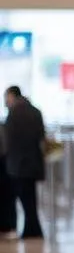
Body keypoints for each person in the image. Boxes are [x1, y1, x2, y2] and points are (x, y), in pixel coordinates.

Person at [2, 85, 45, 240]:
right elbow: (41, 136)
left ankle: (31, 231)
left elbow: (7, 141)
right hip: (33, 163)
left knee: (22, 198)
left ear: (12, 96)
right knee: (30, 199)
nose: (5, 101)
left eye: (6, 97)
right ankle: (32, 229)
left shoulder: (13, 113)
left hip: (17, 164)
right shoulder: (35, 111)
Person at [0, 122, 18, 239]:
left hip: (4, 167)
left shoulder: (4, 127)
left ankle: (7, 226)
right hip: (6, 166)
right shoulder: (4, 127)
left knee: (6, 198)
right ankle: (9, 226)